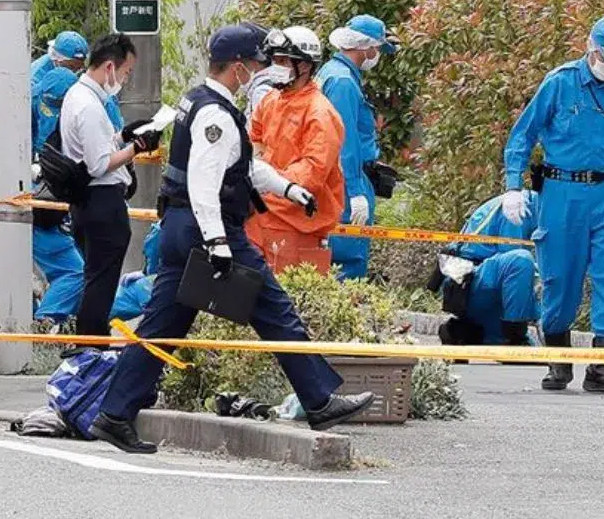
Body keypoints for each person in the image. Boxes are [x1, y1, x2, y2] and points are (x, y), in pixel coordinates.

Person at [89, 24, 376, 454]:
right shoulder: (216, 116)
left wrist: (289, 189)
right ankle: (319, 400)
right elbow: (206, 184)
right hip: (207, 232)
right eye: (259, 64)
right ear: (239, 68)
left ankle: (114, 414)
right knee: (275, 310)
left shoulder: (202, 102)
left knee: (162, 326)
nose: (265, 71)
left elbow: (240, 168)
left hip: (184, 232)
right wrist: (219, 244)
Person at [501, 14, 604, 393]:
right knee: (559, 276)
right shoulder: (560, 83)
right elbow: (524, 134)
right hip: (562, 191)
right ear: (592, 49)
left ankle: (603, 369)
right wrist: (512, 185)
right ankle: (558, 362)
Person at [59, 33, 161, 336]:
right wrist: (137, 148)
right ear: (109, 67)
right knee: (100, 285)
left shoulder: (82, 98)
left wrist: (124, 137)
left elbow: (99, 148)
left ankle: (90, 344)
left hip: (92, 203)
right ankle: (92, 348)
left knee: (97, 280)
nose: (126, 79)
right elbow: (99, 164)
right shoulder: (87, 105)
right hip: (101, 202)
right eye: (126, 72)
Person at [246, 26, 345, 273]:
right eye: (274, 60)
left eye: (283, 61)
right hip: (258, 218)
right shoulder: (271, 101)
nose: (276, 67)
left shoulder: (319, 113)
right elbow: (252, 142)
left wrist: (268, 183)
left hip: (296, 224)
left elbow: (311, 173)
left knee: (288, 302)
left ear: (305, 65)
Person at [318, 14, 398, 280]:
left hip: (337, 178)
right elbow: (345, 142)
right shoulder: (343, 83)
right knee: (348, 260)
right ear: (366, 47)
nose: (377, 55)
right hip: (344, 181)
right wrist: (355, 191)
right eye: (377, 49)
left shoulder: (331, 73)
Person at [433, 192, 541, 347]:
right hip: (467, 284)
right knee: (521, 261)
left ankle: (462, 333)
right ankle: (515, 338)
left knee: (501, 341)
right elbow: (519, 272)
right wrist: (539, 316)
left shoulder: (534, 207)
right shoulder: (517, 208)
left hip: (476, 285)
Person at [30, 65, 87, 324]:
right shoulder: (33, 102)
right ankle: (45, 322)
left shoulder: (85, 111)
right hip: (41, 211)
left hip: (46, 208)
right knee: (74, 272)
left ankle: (42, 321)